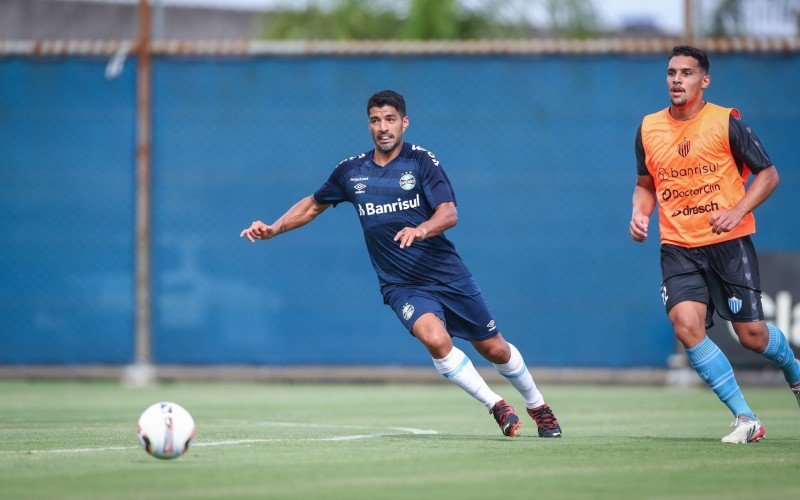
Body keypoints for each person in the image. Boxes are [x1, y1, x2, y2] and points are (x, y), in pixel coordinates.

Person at [241, 89, 561, 438]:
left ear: (404, 123)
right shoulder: (351, 172)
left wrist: (422, 229)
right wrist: (274, 228)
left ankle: (538, 405)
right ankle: (496, 406)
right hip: (401, 284)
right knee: (436, 341)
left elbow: (449, 212)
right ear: (369, 126)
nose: (383, 127)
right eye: (376, 120)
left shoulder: (422, 162)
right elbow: (313, 205)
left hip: (446, 273)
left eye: (390, 119)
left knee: (493, 348)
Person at [630, 45, 799, 443]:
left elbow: (768, 175)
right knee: (685, 325)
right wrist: (639, 213)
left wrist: (738, 210)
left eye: (687, 73)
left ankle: (794, 371)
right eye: (671, 72)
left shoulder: (725, 122)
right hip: (677, 246)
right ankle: (745, 417)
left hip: (729, 243)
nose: (676, 80)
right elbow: (644, 185)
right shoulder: (648, 128)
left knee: (752, 336)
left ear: (704, 81)